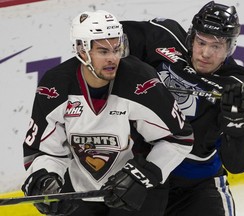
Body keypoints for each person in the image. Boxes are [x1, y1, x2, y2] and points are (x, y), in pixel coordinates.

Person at [21, 10, 194, 216]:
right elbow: (44, 150)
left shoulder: (141, 82)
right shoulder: (55, 86)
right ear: (81, 50)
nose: (113, 58)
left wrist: (142, 176)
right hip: (80, 193)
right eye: (103, 51)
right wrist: (46, 178)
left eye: (117, 49)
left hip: (137, 192)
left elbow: (179, 138)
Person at [121, 1, 244, 215]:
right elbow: (105, 44)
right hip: (142, 171)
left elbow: (239, 164)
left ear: (230, 47)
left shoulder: (240, 87)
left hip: (196, 184)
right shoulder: (163, 37)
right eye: (201, 42)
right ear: (191, 37)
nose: (205, 53)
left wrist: (238, 129)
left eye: (216, 46)